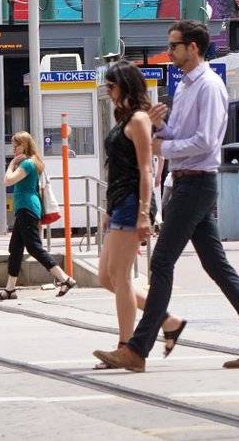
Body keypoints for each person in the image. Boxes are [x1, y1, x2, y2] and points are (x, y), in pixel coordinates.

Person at [94, 20, 239, 372]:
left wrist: (162, 144)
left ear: (193, 48)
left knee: (161, 263)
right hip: (187, 182)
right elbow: (184, 134)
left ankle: (137, 349)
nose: (171, 51)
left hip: (197, 182)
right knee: (217, 266)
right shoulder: (185, 87)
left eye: (175, 46)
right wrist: (161, 126)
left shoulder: (208, 86)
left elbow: (207, 142)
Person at [92, 61, 186, 368]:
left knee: (120, 276)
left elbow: (147, 170)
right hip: (120, 202)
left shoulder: (140, 120)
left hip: (134, 203)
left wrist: (144, 213)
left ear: (126, 85)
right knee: (106, 277)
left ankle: (126, 347)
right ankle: (167, 320)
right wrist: (109, 208)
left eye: (112, 86)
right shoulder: (125, 119)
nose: (109, 91)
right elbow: (119, 167)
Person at [0, 131, 77, 301]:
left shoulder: (28, 164)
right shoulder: (32, 162)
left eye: (17, 146)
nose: (14, 149)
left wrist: (11, 164)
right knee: (15, 248)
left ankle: (65, 279)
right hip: (25, 209)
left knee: (34, 247)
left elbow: (8, 181)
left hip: (27, 208)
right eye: (14, 146)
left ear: (25, 145)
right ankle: (10, 289)